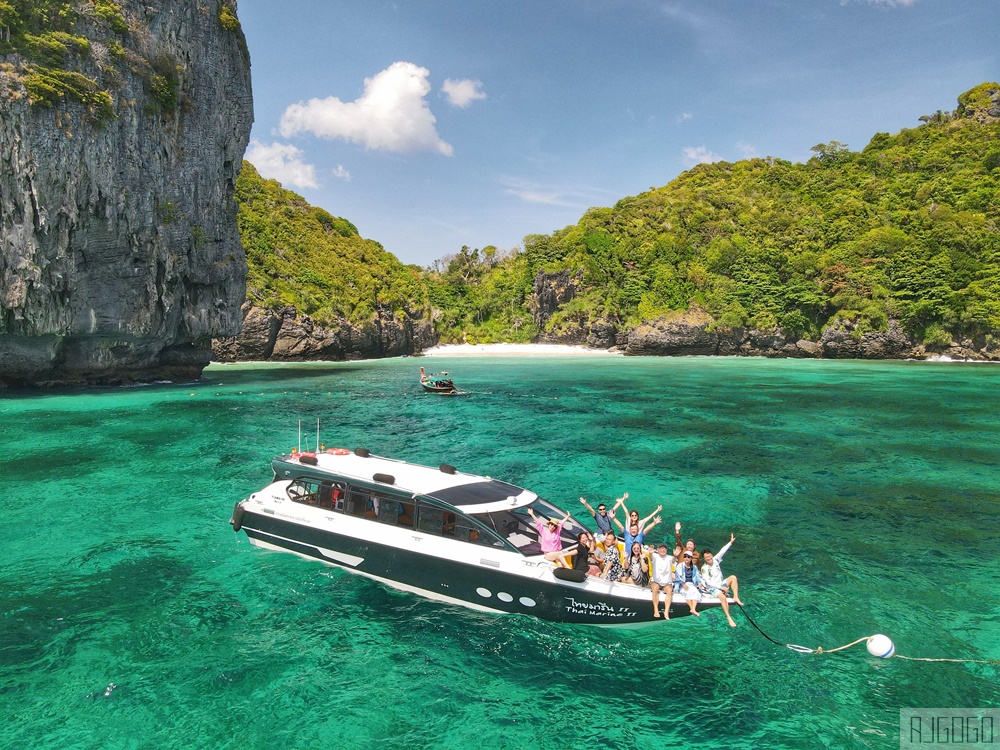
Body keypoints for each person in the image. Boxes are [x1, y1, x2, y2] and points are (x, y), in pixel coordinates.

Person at [701, 533, 743, 627]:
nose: (708, 558)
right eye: (706, 557)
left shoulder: (716, 560)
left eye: (709, 556)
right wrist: (721, 588)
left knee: (733, 577)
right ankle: (728, 617)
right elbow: (708, 582)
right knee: (723, 598)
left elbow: (722, 551)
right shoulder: (704, 568)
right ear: (704, 559)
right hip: (712, 588)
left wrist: (730, 542)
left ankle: (736, 596)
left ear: (711, 555)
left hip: (721, 584)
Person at [649, 543, 676, 619]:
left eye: (664, 548)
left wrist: (676, 555)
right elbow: (651, 557)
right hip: (656, 581)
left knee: (669, 591)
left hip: (667, 583)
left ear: (667, 550)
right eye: (661, 548)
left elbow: (673, 560)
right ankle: (656, 609)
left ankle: (666, 612)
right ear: (657, 550)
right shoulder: (655, 556)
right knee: (655, 588)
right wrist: (650, 553)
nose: (663, 550)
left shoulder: (669, 558)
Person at [673, 550, 702, 616]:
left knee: (695, 591)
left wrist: (699, 583)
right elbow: (678, 577)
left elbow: (698, 577)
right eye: (685, 556)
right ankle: (692, 608)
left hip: (692, 584)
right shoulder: (680, 566)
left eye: (688, 557)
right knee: (687, 591)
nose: (686, 558)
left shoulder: (694, 567)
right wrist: (683, 584)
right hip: (681, 584)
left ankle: (693, 609)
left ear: (691, 558)